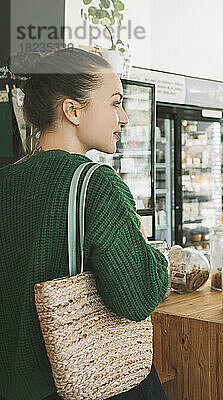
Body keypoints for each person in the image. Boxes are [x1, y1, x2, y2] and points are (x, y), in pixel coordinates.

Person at [0, 48, 169, 400]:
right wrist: (148, 247)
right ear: (72, 110)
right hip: (87, 381)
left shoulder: (6, 180)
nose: (123, 117)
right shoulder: (97, 185)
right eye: (114, 103)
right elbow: (137, 299)